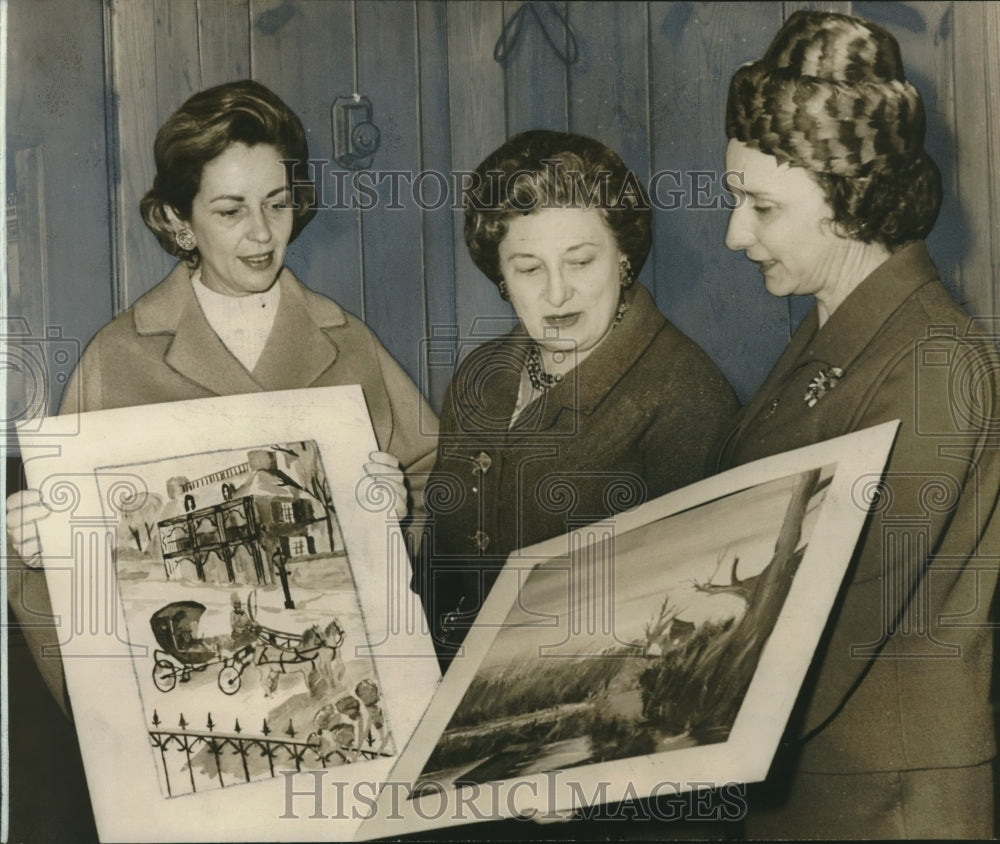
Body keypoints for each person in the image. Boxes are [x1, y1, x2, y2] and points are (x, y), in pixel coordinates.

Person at [7, 79, 437, 717]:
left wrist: (398, 513)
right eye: (231, 211)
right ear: (179, 220)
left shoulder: (349, 344)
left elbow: (431, 481)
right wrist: (39, 546)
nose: (262, 235)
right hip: (186, 716)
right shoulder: (117, 356)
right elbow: (69, 559)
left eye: (278, 204)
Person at [714, 10, 1000, 838]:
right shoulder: (833, 330)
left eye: (762, 207)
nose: (736, 235)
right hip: (817, 791)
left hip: (888, 809)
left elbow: (834, 622)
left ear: (852, 197)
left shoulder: (934, 363)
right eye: (737, 199)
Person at [420, 130, 739, 664]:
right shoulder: (479, 377)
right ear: (500, 276)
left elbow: (691, 615)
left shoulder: (686, 394)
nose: (557, 292)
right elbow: (441, 568)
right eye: (527, 268)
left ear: (623, 259)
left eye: (581, 261)